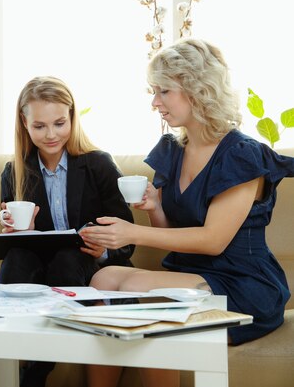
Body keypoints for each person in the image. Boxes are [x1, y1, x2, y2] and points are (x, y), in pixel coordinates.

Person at [81, 38, 294, 387]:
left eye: (164, 90)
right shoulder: (172, 150)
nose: (155, 102)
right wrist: (155, 209)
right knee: (103, 281)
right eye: (154, 91)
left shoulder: (242, 155)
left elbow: (212, 240)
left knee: (143, 295)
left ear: (197, 89)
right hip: (189, 276)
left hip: (242, 284)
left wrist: (132, 232)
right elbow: (173, 237)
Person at [0, 76, 135, 387]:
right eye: (39, 126)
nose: (51, 134)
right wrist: (18, 230)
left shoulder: (99, 165)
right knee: (17, 258)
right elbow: (17, 241)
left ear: (72, 118)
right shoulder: (14, 172)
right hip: (39, 265)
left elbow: (128, 239)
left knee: (66, 258)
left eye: (60, 123)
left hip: (84, 265)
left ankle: (34, 375)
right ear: (24, 123)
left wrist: (103, 250)